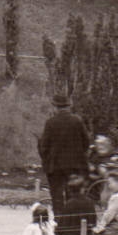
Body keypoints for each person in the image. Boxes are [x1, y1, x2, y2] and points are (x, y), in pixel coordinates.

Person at [37, 93, 90, 227]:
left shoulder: (50, 123)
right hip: (75, 166)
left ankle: (60, 225)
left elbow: (44, 147)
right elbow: (86, 142)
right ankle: (74, 223)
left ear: (55, 107)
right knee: (72, 194)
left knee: (57, 196)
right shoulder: (77, 121)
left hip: (55, 167)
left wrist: (47, 158)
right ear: (68, 106)